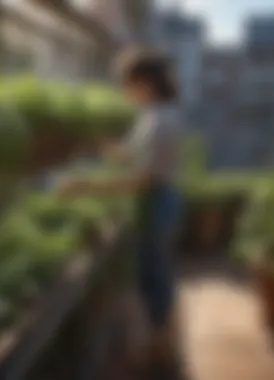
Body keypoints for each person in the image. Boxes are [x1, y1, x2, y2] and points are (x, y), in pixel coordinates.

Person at [59, 48, 186, 379]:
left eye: (125, 83)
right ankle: (164, 345)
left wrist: (87, 187)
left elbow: (144, 181)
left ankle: (162, 354)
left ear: (144, 82)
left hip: (156, 202)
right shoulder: (152, 116)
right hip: (156, 201)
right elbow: (129, 155)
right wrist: (98, 143)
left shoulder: (161, 121)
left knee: (154, 278)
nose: (123, 90)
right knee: (154, 274)